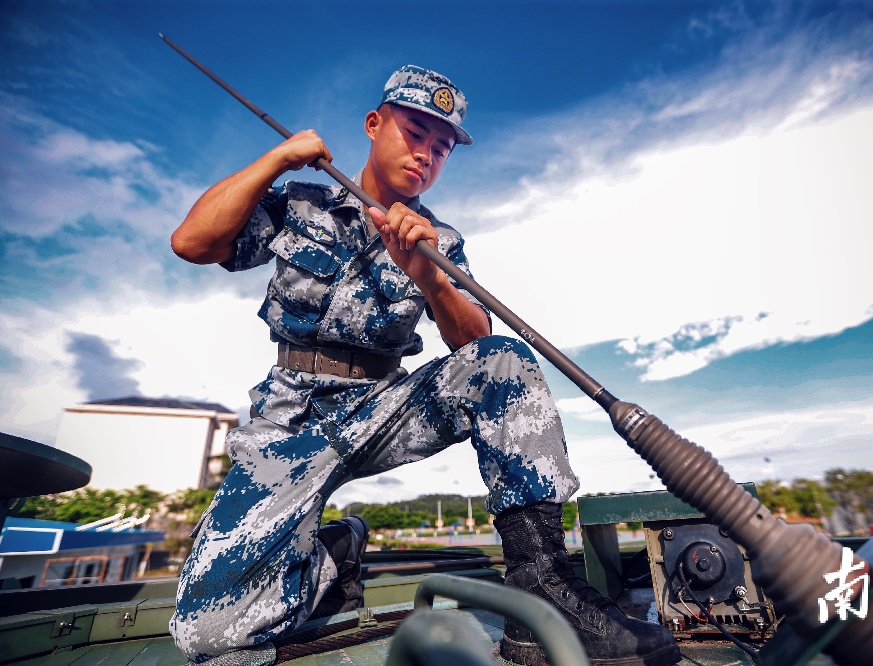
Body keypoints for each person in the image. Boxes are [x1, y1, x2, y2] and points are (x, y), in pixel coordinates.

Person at [168, 65, 680, 666]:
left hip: (382, 410)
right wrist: (278, 159)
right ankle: (335, 551)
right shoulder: (300, 204)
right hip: (289, 425)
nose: (427, 155)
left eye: (441, 148)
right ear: (374, 124)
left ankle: (544, 590)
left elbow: (475, 342)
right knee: (208, 635)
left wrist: (430, 275)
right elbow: (192, 242)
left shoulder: (440, 239)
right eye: (415, 132)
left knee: (503, 364)